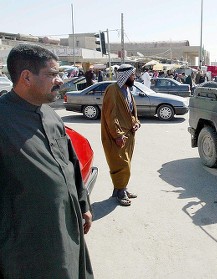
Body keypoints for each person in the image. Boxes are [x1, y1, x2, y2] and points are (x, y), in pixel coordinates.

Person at [0, 44, 93, 278]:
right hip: (29, 246)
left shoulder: (50, 114)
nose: (60, 80)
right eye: (52, 74)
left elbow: (70, 163)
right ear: (27, 77)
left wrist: (83, 204)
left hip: (68, 226)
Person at [101, 64, 141, 206]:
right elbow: (111, 115)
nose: (134, 77)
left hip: (129, 133)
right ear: (125, 76)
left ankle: (121, 189)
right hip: (118, 135)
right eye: (132, 75)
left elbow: (130, 111)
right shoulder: (113, 90)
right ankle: (120, 192)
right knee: (121, 164)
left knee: (126, 163)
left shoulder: (127, 89)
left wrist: (136, 122)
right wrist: (117, 135)